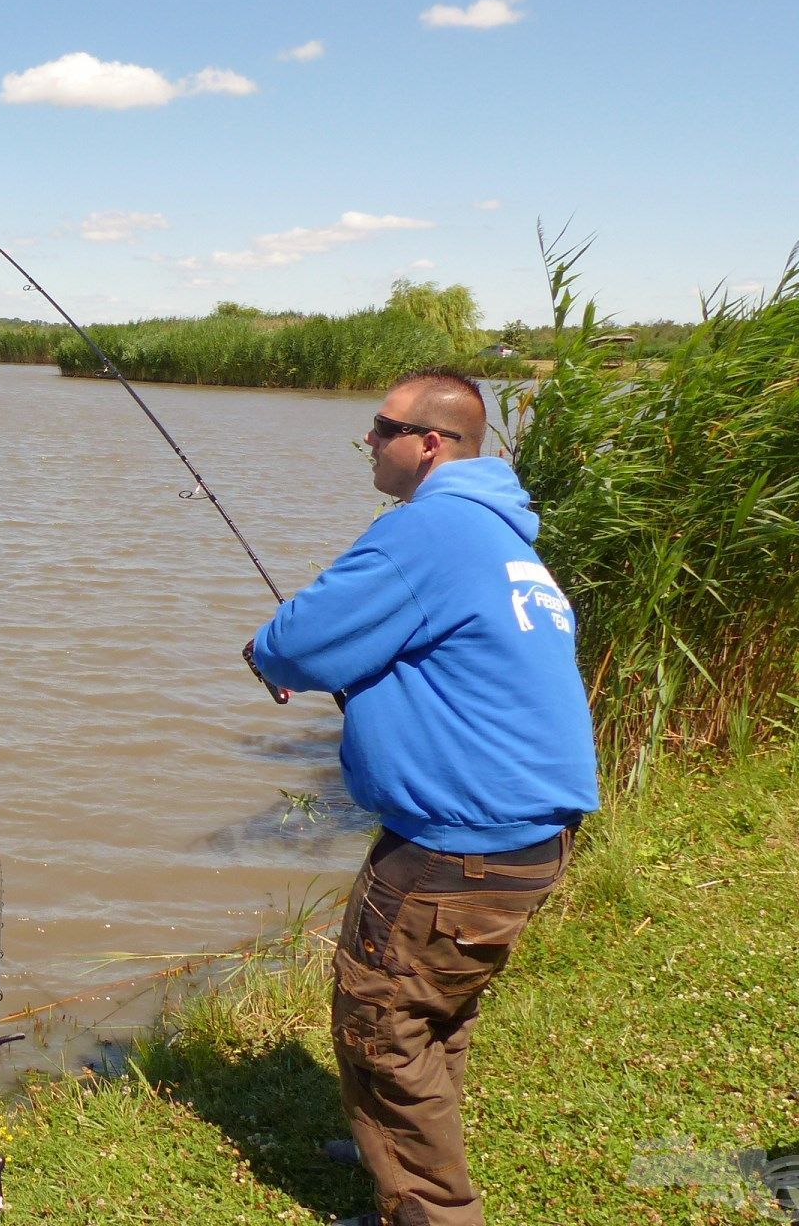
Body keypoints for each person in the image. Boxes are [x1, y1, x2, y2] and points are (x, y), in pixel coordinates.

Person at [248, 367, 600, 1226]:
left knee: (381, 1028)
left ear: (429, 445)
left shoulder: (429, 530)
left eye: (380, 427)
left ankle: (426, 1211)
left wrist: (271, 657)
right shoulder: (502, 537)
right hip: (521, 838)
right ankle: (394, 1148)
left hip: (456, 842)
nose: (367, 441)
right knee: (434, 1015)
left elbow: (290, 644)